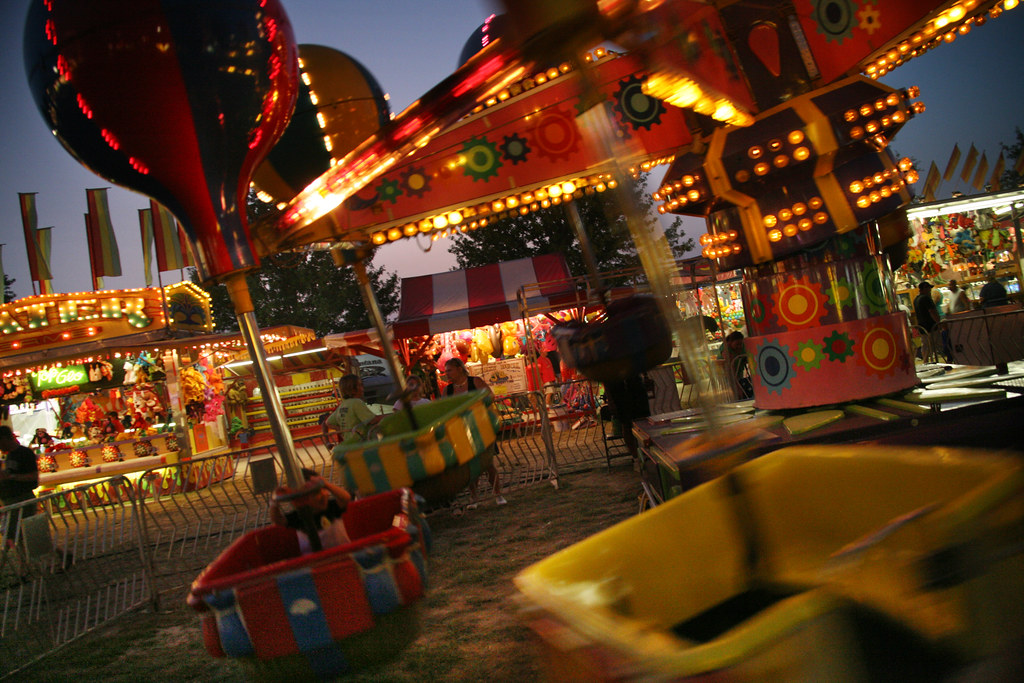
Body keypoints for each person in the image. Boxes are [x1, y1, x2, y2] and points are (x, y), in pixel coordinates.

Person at [444, 358, 506, 507]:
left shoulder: (475, 382)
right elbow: (444, 409)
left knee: (488, 463)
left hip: (480, 427)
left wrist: (475, 405)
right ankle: (474, 497)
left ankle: (498, 494)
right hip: (461, 430)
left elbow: (490, 396)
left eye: (449, 370)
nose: (447, 374)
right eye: (445, 371)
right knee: (469, 467)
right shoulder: (448, 390)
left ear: (459, 368)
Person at [270, 468, 352, 554]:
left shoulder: (331, 507)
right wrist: (274, 502)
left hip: (343, 553)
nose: (324, 495)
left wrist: (326, 484)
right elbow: (277, 520)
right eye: (316, 493)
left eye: (324, 489)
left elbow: (346, 498)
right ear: (300, 500)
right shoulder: (299, 517)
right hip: (315, 561)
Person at [1, 426, 39, 547]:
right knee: (22, 534)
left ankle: (21, 563)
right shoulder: (10, 456)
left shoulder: (24, 453)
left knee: (17, 534)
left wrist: (11, 477)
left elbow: (33, 477)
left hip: (22, 498)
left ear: (5, 439)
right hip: (12, 499)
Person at [322, 374, 383, 444]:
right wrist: (392, 415)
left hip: (350, 443)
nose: (362, 388)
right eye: (360, 385)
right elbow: (372, 420)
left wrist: (343, 431)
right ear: (353, 389)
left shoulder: (343, 405)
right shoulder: (356, 402)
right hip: (364, 443)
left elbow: (328, 423)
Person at [602, 374, 651, 459]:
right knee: (626, 424)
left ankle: (647, 454)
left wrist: (645, 377)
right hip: (618, 390)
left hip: (634, 385)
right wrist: (610, 399)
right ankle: (636, 457)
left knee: (643, 422)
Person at [719, 331, 753, 400]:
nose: (739, 346)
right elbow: (730, 367)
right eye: (737, 344)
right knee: (733, 393)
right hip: (726, 376)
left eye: (740, 344)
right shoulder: (725, 348)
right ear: (730, 342)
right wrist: (737, 387)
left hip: (739, 372)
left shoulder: (743, 346)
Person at [913, 281, 942, 360]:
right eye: (929, 288)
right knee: (936, 344)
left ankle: (925, 361)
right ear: (925, 288)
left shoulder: (916, 299)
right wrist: (938, 323)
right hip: (930, 326)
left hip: (922, 326)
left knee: (926, 345)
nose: (930, 291)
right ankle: (941, 359)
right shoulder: (926, 298)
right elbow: (932, 311)